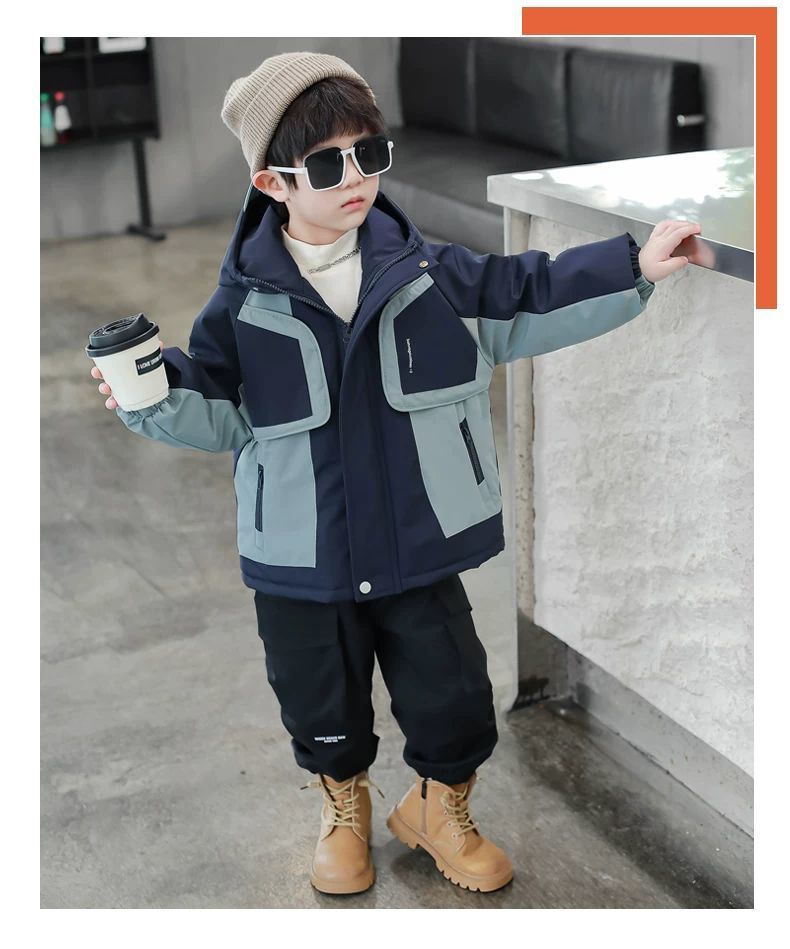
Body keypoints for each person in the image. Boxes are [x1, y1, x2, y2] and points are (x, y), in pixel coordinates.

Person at [90, 51, 702, 897]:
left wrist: (632, 266)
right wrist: (152, 394)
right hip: (304, 557)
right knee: (319, 702)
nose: (355, 178)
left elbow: (525, 291)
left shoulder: (432, 276)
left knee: (453, 695)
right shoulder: (242, 308)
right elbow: (219, 410)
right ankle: (344, 809)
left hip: (419, 543)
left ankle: (437, 808)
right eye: (327, 164)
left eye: (370, 153)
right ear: (272, 184)